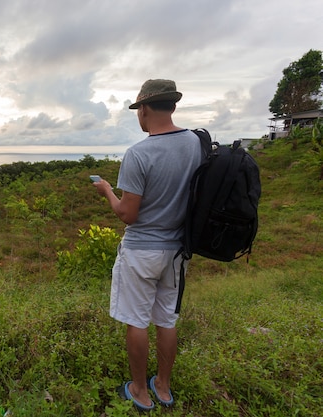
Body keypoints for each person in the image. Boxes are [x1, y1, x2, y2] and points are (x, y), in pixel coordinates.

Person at [92, 79, 202, 411]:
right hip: (178, 251)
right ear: (173, 106)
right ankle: (164, 388)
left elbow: (128, 214)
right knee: (167, 320)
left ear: (144, 109)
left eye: (138, 110)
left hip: (141, 251)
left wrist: (108, 191)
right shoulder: (196, 144)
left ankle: (140, 390)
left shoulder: (139, 154)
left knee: (137, 321)